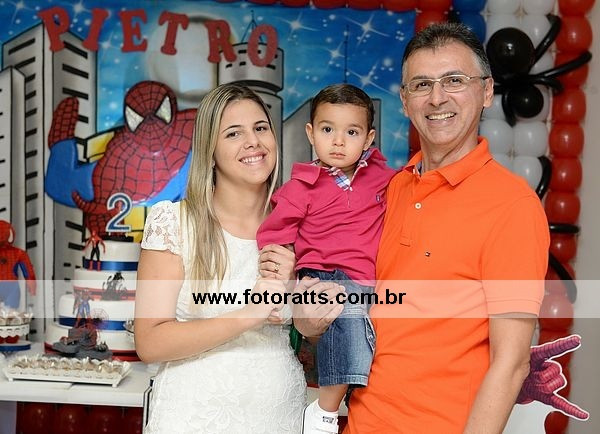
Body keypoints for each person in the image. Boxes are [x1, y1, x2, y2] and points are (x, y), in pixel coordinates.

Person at [293, 22, 567, 433]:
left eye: (454, 80)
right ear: (405, 101)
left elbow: (511, 364)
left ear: (486, 91)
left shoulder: (511, 205)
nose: (437, 98)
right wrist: (308, 320)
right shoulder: (389, 190)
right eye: (422, 85)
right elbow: (354, 316)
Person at [134, 83, 307, 433]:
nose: (253, 142)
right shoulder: (174, 223)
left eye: (260, 128)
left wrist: (299, 294)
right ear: (209, 151)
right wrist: (249, 314)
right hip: (192, 419)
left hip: (278, 416)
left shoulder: (301, 227)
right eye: (233, 133)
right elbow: (149, 343)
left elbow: (315, 336)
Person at [256, 84, 396, 434]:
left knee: (374, 343)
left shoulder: (383, 178)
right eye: (327, 129)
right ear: (311, 133)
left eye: (352, 132)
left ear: (369, 138)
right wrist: (275, 279)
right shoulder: (300, 187)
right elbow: (274, 235)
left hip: (369, 280)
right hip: (325, 274)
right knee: (349, 325)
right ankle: (324, 412)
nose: (338, 141)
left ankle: (351, 402)